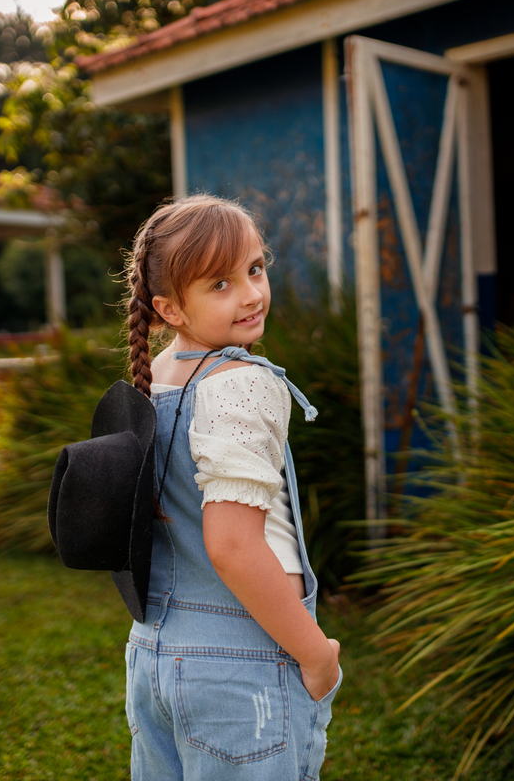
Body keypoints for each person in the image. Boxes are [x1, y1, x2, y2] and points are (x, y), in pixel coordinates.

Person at [122, 193, 342, 780]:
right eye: (218, 284)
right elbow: (233, 544)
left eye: (255, 268)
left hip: (152, 655)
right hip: (242, 662)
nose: (250, 294)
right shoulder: (241, 382)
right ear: (170, 308)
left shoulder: (158, 380)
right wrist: (315, 653)